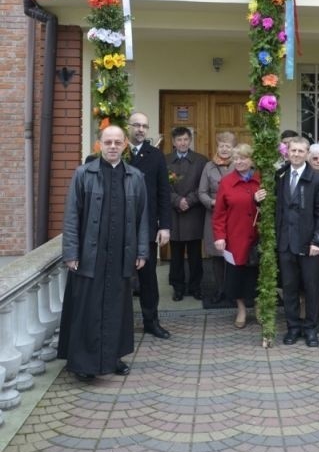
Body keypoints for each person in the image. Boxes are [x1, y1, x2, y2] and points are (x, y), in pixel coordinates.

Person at [58, 124, 149, 380]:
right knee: (87, 308)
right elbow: (71, 217)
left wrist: (141, 251)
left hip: (121, 255)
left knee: (117, 309)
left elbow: (143, 218)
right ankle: (83, 364)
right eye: (107, 142)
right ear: (99, 144)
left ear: (125, 145)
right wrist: (71, 252)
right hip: (90, 254)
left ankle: (113, 357)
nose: (112, 146)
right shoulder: (83, 174)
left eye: (117, 142)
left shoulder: (135, 176)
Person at [275, 136, 319, 348]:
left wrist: (318, 240)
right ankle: (293, 327)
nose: (296, 154)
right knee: (288, 288)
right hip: (286, 243)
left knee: (311, 288)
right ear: (287, 152)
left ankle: (310, 329)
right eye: (293, 150)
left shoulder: (317, 180)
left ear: (307, 154)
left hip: (309, 244)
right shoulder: (280, 175)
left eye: (300, 151)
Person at [127, 112, 172, 339]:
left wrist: (164, 226)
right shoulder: (117, 153)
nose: (141, 129)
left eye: (145, 125)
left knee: (148, 278)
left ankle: (150, 321)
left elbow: (164, 192)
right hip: (120, 228)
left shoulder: (155, 155)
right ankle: (121, 323)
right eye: (136, 125)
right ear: (128, 127)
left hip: (146, 228)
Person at [212, 144, 266, 328]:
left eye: (243, 158)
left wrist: (260, 202)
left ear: (251, 160)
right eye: (236, 159)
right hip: (236, 238)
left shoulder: (261, 180)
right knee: (237, 276)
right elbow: (219, 213)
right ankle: (241, 309)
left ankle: (259, 306)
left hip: (259, 237)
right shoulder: (226, 182)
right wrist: (219, 236)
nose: (239, 162)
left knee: (258, 274)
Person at [166, 126, 208, 301]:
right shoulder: (165, 160)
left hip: (193, 213)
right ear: (174, 142)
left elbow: (203, 187)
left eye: (185, 139)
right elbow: (162, 186)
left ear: (190, 140)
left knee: (195, 255)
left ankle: (195, 286)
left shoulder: (201, 161)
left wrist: (188, 201)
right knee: (175, 255)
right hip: (174, 214)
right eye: (179, 140)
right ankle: (178, 287)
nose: (182, 143)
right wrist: (177, 200)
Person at [198, 131, 236, 303]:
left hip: (235, 217)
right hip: (214, 215)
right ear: (217, 147)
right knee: (217, 255)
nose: (225, 149)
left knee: (235, 253)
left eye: (228, 146)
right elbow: (202, 192)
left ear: (233, 148)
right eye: (222, 146)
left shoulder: (240, 164)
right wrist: (213, 203)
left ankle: (234, 291)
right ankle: (220, 290)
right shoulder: (208, 166)